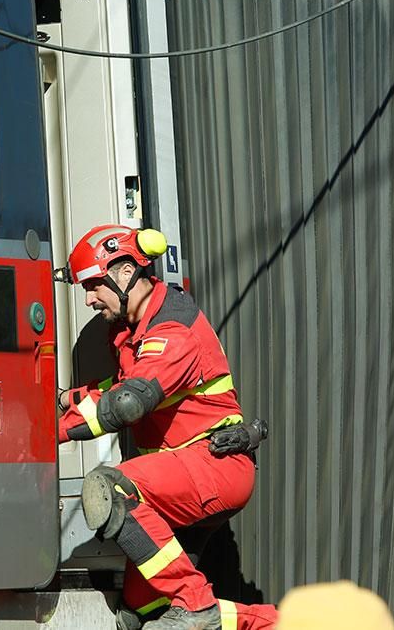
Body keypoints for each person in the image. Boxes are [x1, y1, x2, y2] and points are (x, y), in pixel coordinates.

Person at [56, 224, 279, 630]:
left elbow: (128, 402)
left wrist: (46, 432)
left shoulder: (172, 329)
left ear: (125, 273)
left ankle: (194, 604)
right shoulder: (133, 331)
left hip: (213, 465)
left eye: (92, 286)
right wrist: (63, 403)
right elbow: (120, 385)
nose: (88, 299)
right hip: (189, 470)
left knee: (111, 487)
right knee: (140, 614)